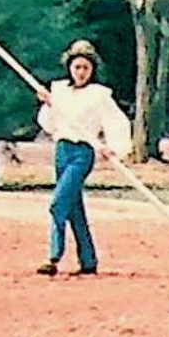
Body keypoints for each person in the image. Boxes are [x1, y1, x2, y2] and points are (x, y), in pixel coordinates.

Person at [34, 39, 132, 277]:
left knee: (58, 204)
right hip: (62, 150)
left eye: (85, 68)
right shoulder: (59, 91)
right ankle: (88, 260)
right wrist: (47, 104)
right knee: (73, 207)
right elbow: (49, 124)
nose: (80, 72)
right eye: (77, 67)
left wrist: (113, 147)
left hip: (83, 152)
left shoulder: (99, 95)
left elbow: (116, 121)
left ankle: (53, 256)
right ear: (69, 67)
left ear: (92, 69)